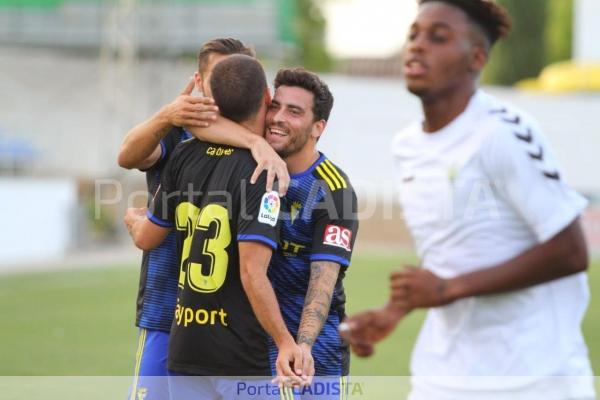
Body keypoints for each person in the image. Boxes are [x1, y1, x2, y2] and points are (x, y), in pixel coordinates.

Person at [341, 1, 595, 399]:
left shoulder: (503, 133)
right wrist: (395, 312)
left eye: (438, 37)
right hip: (442, 376)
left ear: (476, 58)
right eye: (413, 35)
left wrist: (447, 289)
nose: (418, 46)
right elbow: (451, 251)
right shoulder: (407, 146)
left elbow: (570, 252)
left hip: (532, 379)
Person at [124, 54, 305, 399]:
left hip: (186, 345)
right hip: (238, 352)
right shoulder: (264, 170)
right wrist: (284, 341)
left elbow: (148, 236)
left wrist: (133, 220)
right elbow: (253, 273)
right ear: (266, 98)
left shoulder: (183, 155)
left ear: (212, 103)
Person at [197, 67, 359, 400]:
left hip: (318, 351)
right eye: (276, 106)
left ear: (318, 127)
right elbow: (196, 122)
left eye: (294, 111)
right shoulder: (253, 164)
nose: (278, 118)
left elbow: (323, 280)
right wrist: (255, 142)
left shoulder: (333, 189)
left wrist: (302, 347)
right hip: (255, 346)